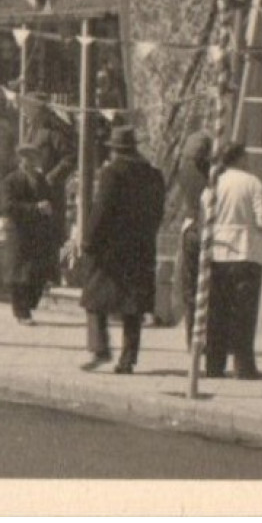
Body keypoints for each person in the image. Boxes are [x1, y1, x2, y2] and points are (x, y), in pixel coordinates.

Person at [79, 125, 164, 374]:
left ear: (115, 150)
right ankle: (128, 359)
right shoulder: (153, 175)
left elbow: (101, 210)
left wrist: (88, 241)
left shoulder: (112, 173)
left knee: (94, 299)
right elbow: (158, 212)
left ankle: (100, 348)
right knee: (133, 306)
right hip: (140, 247)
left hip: (110, 249)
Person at [205, 142, 262, 380]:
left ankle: (214, 364)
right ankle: (244, 366)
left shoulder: (214, 183)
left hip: (218, 252)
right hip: (246, 253)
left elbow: (205, 214)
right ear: (241, 159)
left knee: (217, 312)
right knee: (244, 312)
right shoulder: (252, 183)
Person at [0, 143, 61, 325]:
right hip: (18, 233)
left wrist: (50, 209)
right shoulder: (10, 181)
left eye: (33, 158)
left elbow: (51, 200)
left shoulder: (42, 181)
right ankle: (22, 313)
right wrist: (35, 208)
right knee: (19, 276)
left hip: (37, 234)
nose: (29, 162)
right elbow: (8, 207)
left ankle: (27, 308)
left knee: (36, 274)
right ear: (21, 160)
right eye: (26, 158)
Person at [171, 131, 214, 348]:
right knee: (208, 286)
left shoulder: (184, 171)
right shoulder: (213, 174)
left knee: (190, 287)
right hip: (206, 229)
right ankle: (204, 336)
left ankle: (191, 337)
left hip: (189, 228)